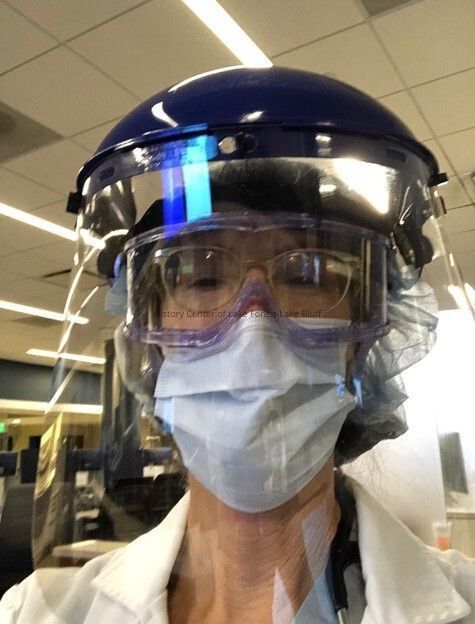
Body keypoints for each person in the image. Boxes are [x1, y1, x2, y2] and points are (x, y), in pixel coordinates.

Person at [1, 66, 474, 624]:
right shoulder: (39, 613)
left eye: (306, 274)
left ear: (366, 340)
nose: (254, 326)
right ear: (150, 346)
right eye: (203, 278)